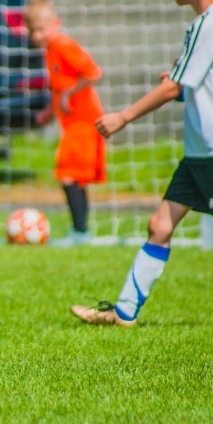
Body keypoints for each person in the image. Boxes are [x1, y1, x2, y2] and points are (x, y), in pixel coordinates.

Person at [72, 0, 213, 326]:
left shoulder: (208, 23)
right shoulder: (201, 24)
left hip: (209, 154)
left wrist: (123, 116)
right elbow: (191, 85)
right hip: (197, 155)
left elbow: (174, 86)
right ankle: (123, 312)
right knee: (159, 226)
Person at [24, 0, 107, 247]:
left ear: (56, 24)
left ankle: (79, 232)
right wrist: (50, 111)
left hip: (84, 122)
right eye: (32, 30)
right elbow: (59, 88)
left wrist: (70, 95)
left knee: (68, 174)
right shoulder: (50, 51)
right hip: (73, 124)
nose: (37, 35)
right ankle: (80, 231)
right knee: (73, 177)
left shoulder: (62, 44)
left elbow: (93, 72)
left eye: (41, 28)